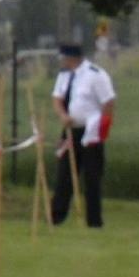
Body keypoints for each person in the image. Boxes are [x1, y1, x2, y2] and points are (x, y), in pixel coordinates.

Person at [50, 43, 116, 228]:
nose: (62, 62)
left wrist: (103, 128)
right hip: (70, 130)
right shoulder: (64, 76)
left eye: (64, 58)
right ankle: (56, 216)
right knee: (64, 174)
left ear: (73, 58)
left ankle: (94, 220)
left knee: (92, 176)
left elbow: (108, 102)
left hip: (91, 131)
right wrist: (63, 115)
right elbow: (57, 98)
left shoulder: (96, 75)